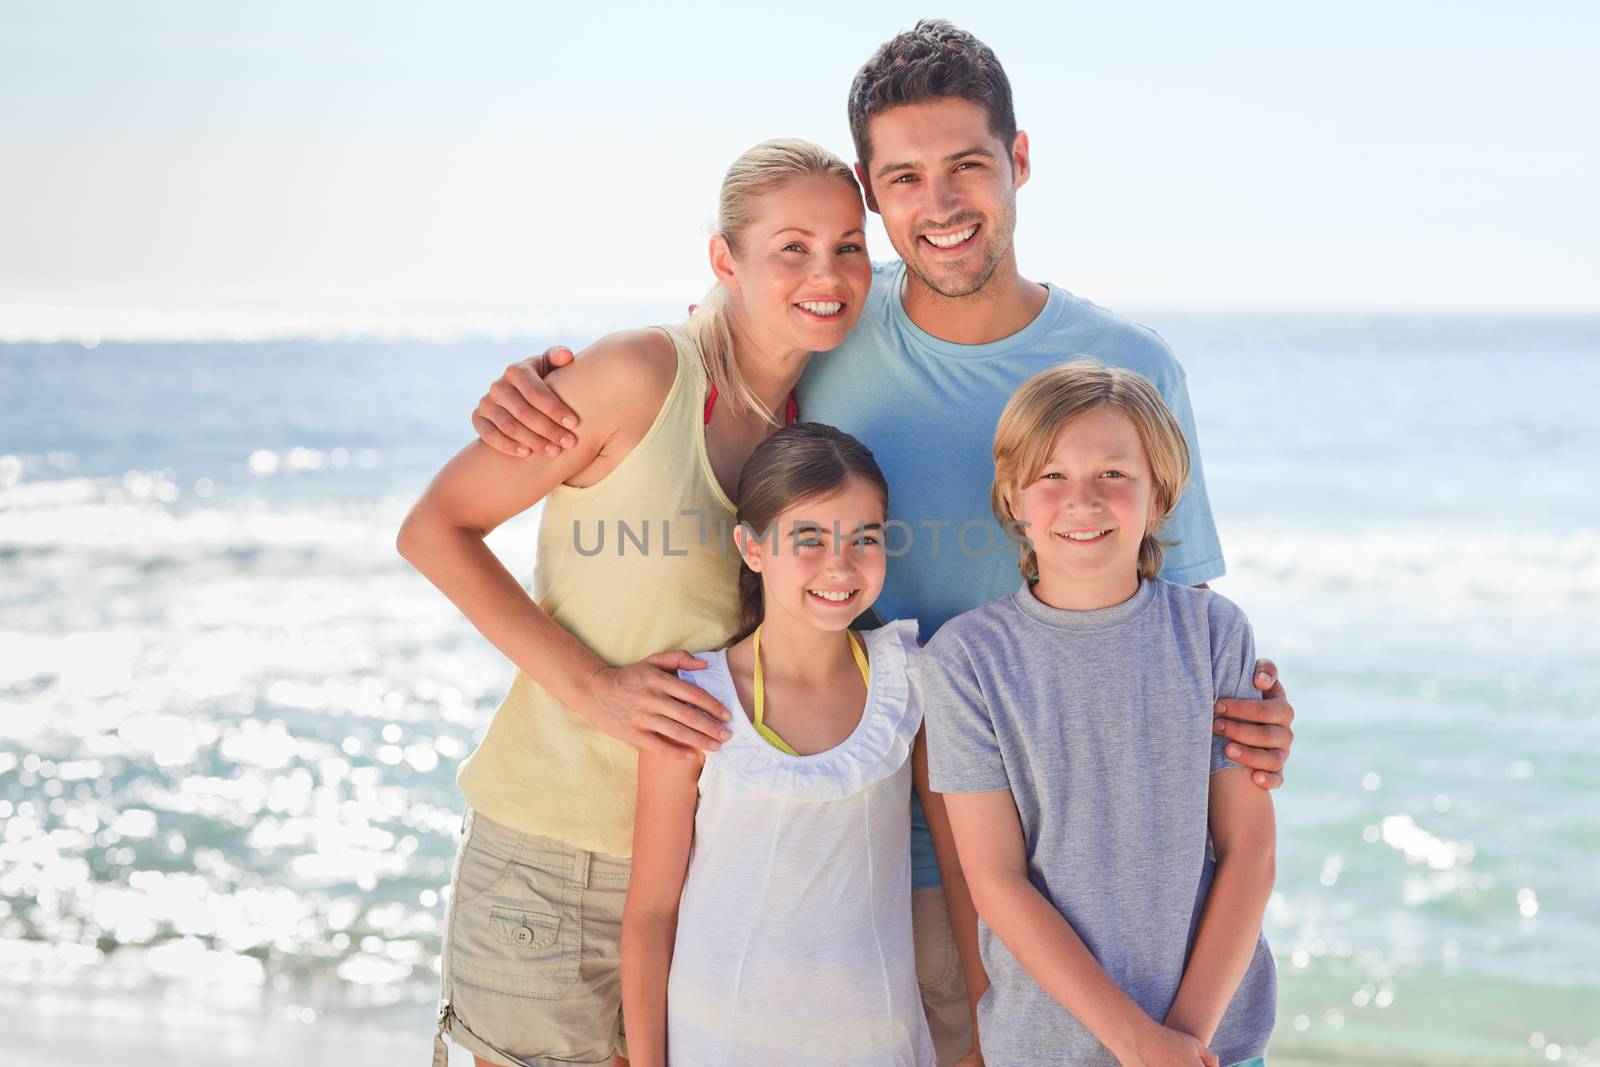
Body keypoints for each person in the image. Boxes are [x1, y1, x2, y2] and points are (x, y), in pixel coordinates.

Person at [465, 21, 1297, 1065]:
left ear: (1020, 163)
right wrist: (535, 383)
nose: (938, 205)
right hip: (872, 861)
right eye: (903, 178)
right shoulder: (834, 323)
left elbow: (1178, 628)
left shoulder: (1125, 366)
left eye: (966, 167)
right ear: (870, 189)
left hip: (1097, 867)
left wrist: (1255, 718)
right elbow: (700, 347)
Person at [396, 139, 873, 1067]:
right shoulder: (639, 376)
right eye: (793, 247)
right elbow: (435, 529)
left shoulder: (808, 430)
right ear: (724, 259)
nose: (826, 273)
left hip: (707, 881)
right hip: (551, 864)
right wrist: (597, 689)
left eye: (850, 246)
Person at [923, 361, 1276, 1067]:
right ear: (1012, 497)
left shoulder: (1213, 634)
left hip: (1214, 1045)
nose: (1081, 500)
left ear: (1160, 494)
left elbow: (1249, 852)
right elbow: (996, 878)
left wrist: (1183, 1039)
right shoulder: (965, 660)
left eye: (1113, 475)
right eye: (1050, 476)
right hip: (1051, 1048)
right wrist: (1138, 1043)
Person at [623, 423, 936, 1066]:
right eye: (809, 539)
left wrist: (985, 1034)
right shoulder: (692, 697)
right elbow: (651, 913)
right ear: (752, 547)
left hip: (877, 1042)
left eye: (864, 539)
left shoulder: (912, 678)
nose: (839, 566)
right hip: (718, 1040)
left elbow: (964, 869)